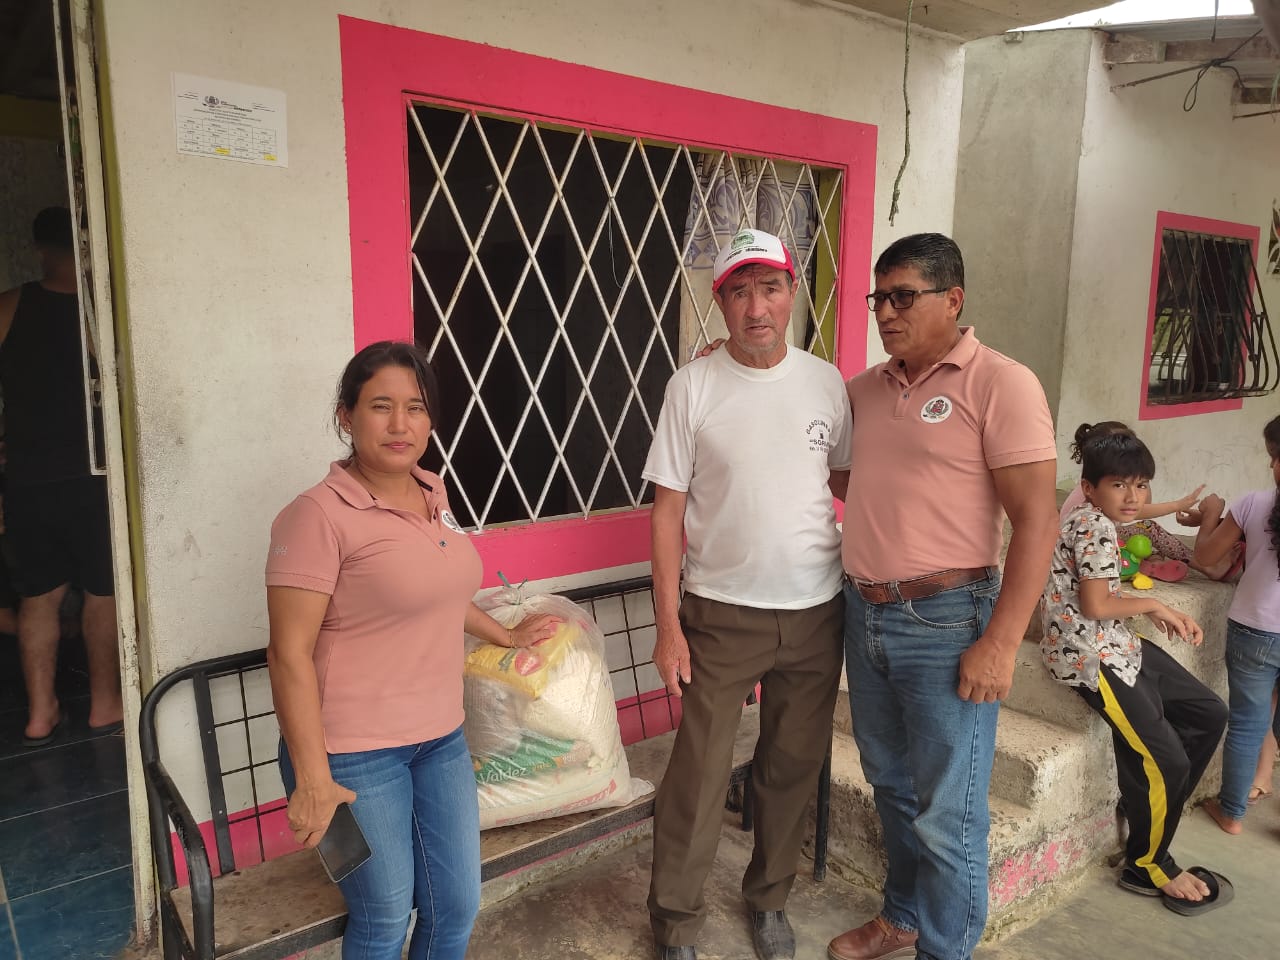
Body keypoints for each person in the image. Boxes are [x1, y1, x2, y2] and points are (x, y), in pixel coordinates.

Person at [265, 340, 558, 960]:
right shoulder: (315, 516)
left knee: (456, 906)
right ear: (346, 416)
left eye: (416, 408)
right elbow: (288, 654)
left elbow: (436, 592)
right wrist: (313, 779)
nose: (400, 424)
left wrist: (505, 635)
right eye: (380, 406)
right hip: (348, 757)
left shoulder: (431, 493)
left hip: (440, 740)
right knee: (382, 916)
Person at [827, 233, 1058, 960]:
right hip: (864, 612)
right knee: (889, 784)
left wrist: (1002, 642)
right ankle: (903, 916)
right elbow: (844, 473)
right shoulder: (864, 389)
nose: (885, 313)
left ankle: (943, 948)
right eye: (878, 298)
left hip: (948, 621)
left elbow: (1038, 521)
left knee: (949, 815)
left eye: (903, 297)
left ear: (953, 299)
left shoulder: (1001, 383)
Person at [643, 228, 851, 960]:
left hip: (816, 612)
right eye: (739, 292)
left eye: (770, 288)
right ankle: (675, 921)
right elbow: (666, 512)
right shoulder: (692, 386)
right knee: (698, 776)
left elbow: (844, 481)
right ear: (720, 301)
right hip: (721, 614)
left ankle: (769, 899)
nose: (756, 307)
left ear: (793, 292)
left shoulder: (826, 382)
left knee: (791, 766)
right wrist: (668, 626)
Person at [1040, 431, 1229, 907]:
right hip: (1086, 655)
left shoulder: (1102, 519)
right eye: (1120, 485)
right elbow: (1097, 604)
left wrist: (1146, 606)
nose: (1133, 497)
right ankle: (1147, 864)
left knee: (1208, 713)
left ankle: (1146, 803)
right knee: (1168, 760)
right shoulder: (1091, 526)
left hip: (1115, 642)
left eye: (1141, 485)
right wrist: (1155, 605)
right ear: (1089, 488)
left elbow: (1102, 594)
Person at [0, 206, 121, 746]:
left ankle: (40, 713)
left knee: (39, 597)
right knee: (103, 592)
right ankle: (105, 704)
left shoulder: (9, 307)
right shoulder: (103, 314)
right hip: (96, 474)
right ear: (89, 246)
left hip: (29, 478)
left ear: (39, 249)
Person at [1192, 414, 1280, 835]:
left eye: (1274, 456)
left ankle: (1231, 813)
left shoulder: (1254, 504)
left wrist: (1211, 514)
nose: (1271, 464)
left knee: (1247, 723)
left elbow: (1206, 557)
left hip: (1255, 630)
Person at [1060, 421, 1240, 581]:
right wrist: (1176, 505)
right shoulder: (1094, 490)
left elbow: (1141, 505)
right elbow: (1139, 511)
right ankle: (1207, 566)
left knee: (1148, 541)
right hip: (1087, 547)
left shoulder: (1103, 483)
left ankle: (1152, 565)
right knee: (1149, 529)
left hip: (1101, 540)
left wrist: (1139, 478)